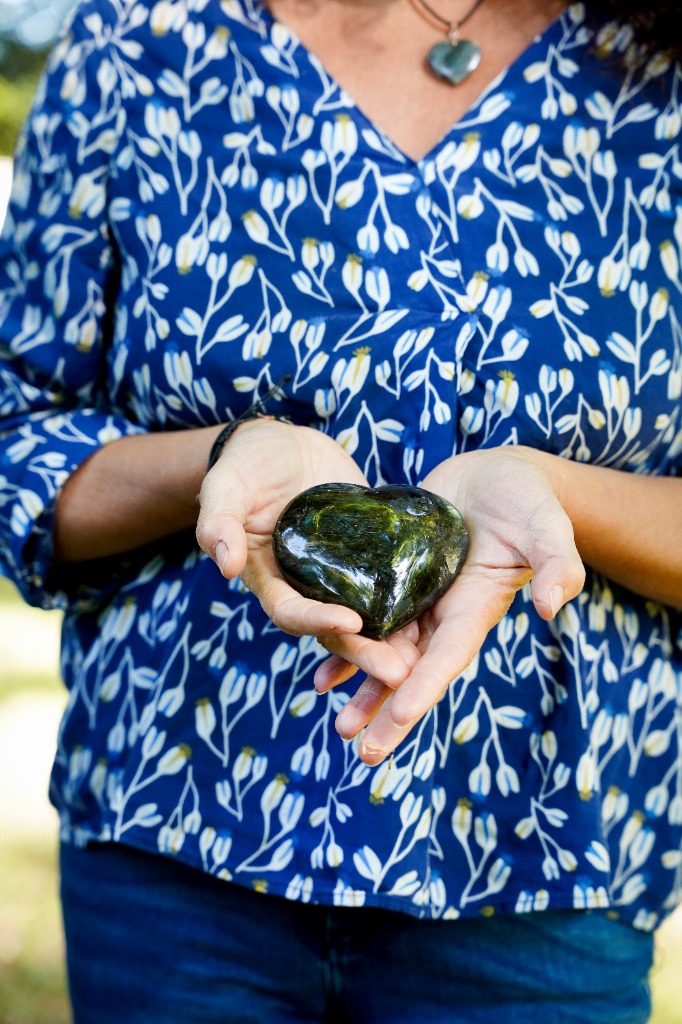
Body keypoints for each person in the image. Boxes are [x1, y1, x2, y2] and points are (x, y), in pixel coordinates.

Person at [0, 0, 680, 1020]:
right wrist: (220, 459)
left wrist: (560, 495)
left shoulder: (657, 75)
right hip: (177, 848)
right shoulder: (138, 45)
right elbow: (19, 434)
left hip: (540, 872)